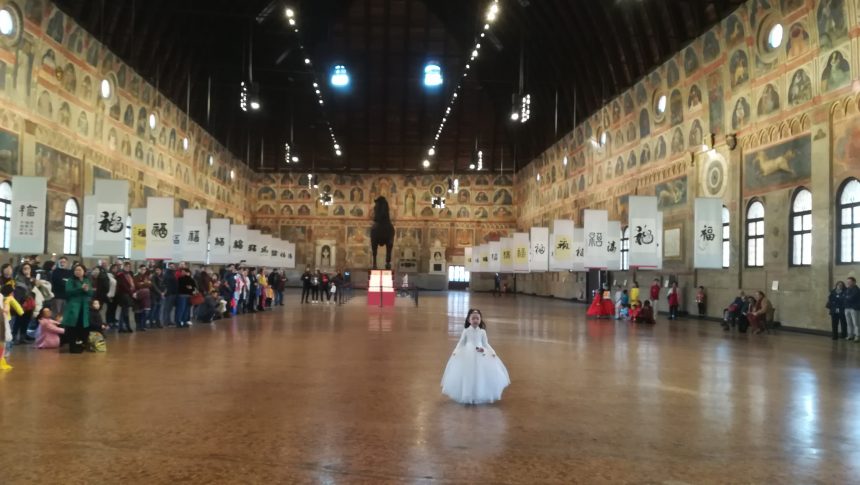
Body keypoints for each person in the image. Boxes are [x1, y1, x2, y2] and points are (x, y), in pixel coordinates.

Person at [440, 309, 511, 404]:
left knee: (479, 375)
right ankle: (467, 394)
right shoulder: (466, 331)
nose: (475, 320)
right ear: (469, 320)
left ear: (480, 320)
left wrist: (491, 351)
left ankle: (478, 394)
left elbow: (485, 344)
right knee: (468, 374)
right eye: (473, 318)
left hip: (480, 355)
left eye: (477, 318)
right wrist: (455, 351)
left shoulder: (482, 332)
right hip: (467, 355)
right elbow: (461, 343)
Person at [60, 264, 94, 353]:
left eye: (79, 270)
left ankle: (81, 345)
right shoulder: (71, 280)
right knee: (72, 327)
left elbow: (91, 293)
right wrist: (81, 289)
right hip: (73, 307)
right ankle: (72, 346)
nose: (77, 272)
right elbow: (68, 291)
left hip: (84, 307)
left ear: (84, 271)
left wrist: (87, 290)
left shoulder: (86, 280)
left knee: (83, 327)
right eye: (76, 270)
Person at [133, 265, 151, 331]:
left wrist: (143, 283)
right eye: (142, 269)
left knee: (144, 311)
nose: (143, 270)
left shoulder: (146, 277)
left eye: (144, 269)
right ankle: (137, 325)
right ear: (139, 269)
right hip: (137, 295)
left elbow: (150, 285)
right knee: (137, 311)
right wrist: (145, 283)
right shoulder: (135, 276)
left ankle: (142, 325)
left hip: (145, 297)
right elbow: (136, 285)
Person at [845, 277, 860, 342]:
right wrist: (846, 297)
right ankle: (850, 335)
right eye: (847, 282)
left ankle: (857, 336)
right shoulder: (847, 289)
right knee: (849, 323)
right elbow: (844, 297)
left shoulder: (857, 290)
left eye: (850, 282)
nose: (848, 283)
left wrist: (846, 297)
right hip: (847, 308)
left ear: (854, 282)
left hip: (854, 308)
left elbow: (851, 298)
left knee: (856, 323)